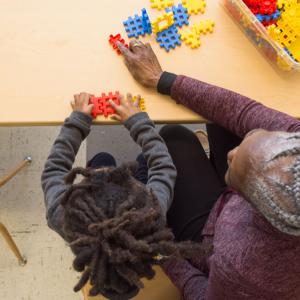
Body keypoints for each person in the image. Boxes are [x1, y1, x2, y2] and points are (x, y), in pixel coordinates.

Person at [117, 40, 300, 300]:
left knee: (174, 136)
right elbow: (243, 112)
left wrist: (159, 247)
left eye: (235, 165)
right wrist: (162, 79)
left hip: (213, 244)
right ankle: (219, 173)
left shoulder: (245, 269)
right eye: (257, 136)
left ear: (247, 199)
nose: (231, 153)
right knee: (221, 120)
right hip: (241, 218)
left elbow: (202, 294)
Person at [41, 93, 207, 299]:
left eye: (95, 179)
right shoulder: (151, 215)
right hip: (143, 188)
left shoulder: (64, 217)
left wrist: (77, 122)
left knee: (103, 159)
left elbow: (53, 170)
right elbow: (163, 167)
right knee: (136, 161)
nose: (104, 173)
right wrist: (138, 122)